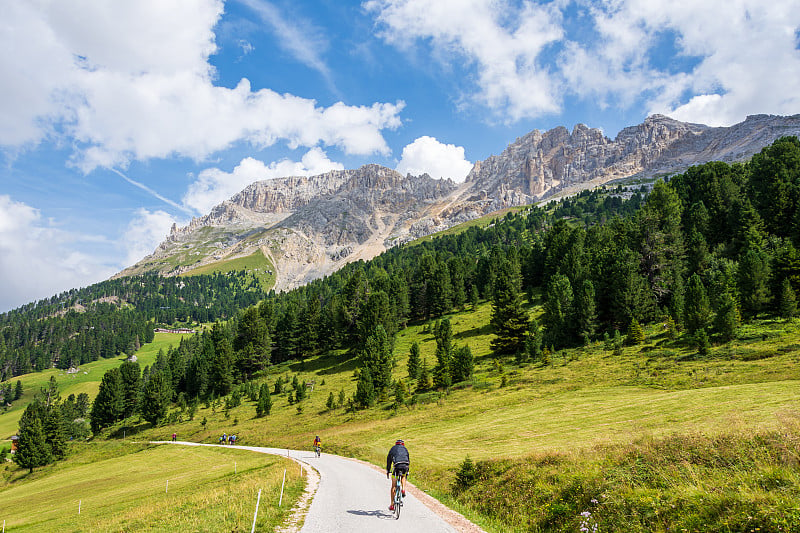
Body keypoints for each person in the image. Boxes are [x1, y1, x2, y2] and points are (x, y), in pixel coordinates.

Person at [386, 439, 409, 511]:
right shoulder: (405, 449)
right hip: (405, 465)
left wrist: (388, 470)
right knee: (403, 476)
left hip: (397, 466)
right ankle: (403, 489)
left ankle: (392, 505)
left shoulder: (393, 448)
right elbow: (408, 459)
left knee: (393, 486)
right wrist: (407, 471)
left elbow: (389, 460)